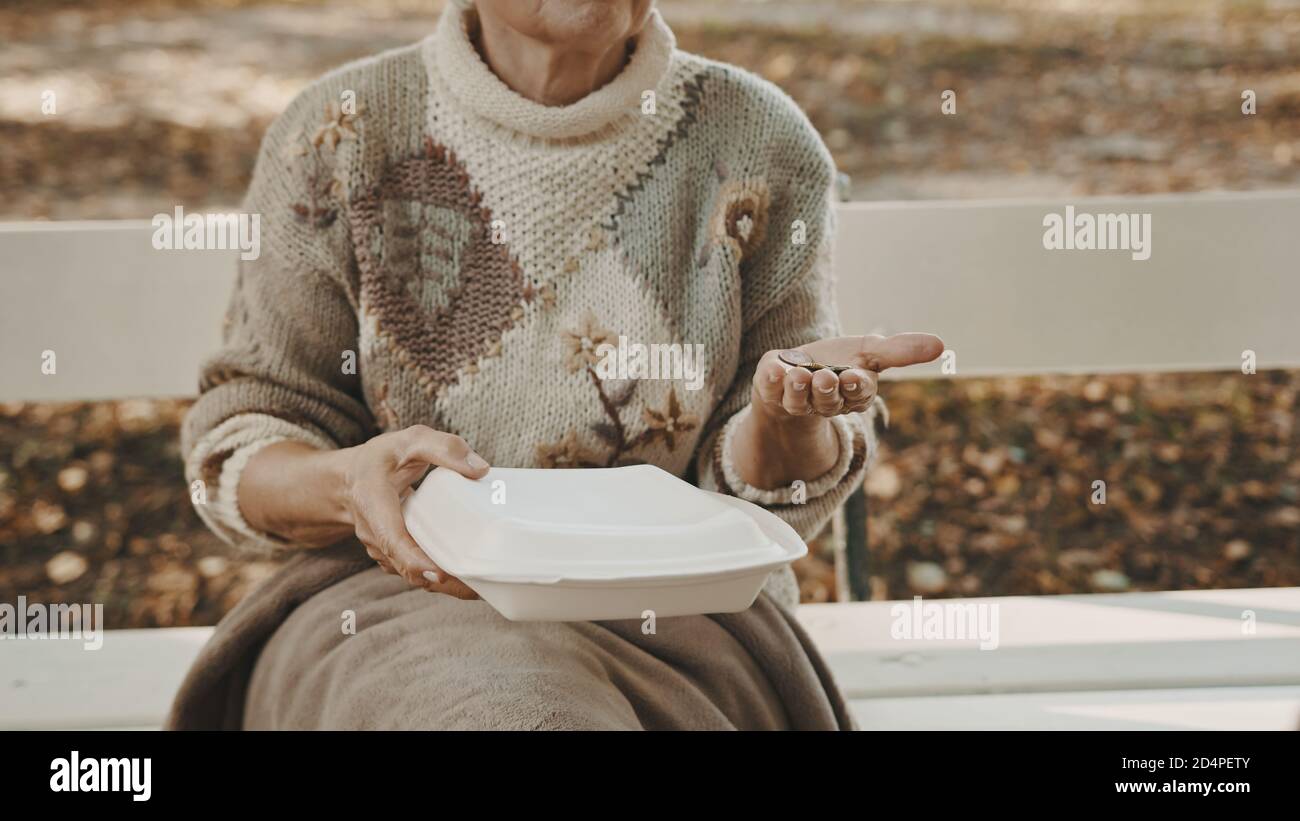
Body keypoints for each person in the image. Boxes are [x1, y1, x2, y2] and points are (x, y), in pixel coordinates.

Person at [169, 0, 943, 731]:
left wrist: (781, 418)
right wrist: (348, 484)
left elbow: (772, 495)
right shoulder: (337, 135)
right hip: (389, 605)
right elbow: (244, 438)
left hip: (674, 616)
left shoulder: (759, 141)